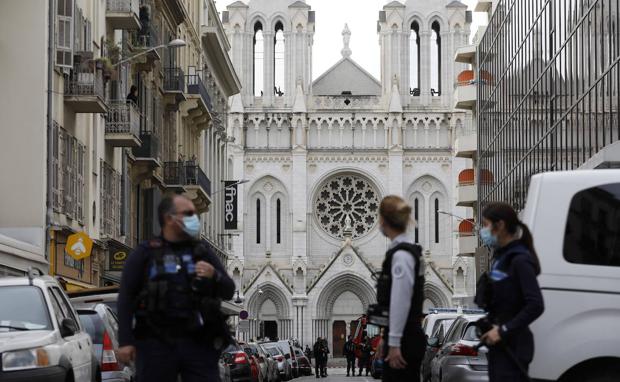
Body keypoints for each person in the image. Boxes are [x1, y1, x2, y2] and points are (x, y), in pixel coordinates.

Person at [116, 194, 235, 382]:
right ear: (169, 218)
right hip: (156, 342)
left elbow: (228, 290)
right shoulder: (145, 253)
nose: (194, 218)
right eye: (188, 213)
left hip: (198, 342)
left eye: (194, 214)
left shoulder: (202, 251)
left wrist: (215, 275)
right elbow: (125, 298)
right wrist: (125, 341)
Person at [476, 202, 544, 382]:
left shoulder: (519, 259)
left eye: (485, 224)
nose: (482, 230)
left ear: (500, 226)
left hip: (513, 348)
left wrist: (503, 330)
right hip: (500, 348)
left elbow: (536, 304)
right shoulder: (501, 258)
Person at [375, 195, 426, 382]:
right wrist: (385, 337)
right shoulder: (406, 251)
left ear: (383, 220)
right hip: (405, 336)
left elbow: (400, 301)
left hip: (405, 339)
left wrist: (394, 342)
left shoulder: (402, 256)